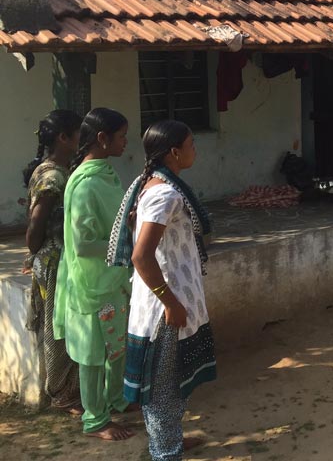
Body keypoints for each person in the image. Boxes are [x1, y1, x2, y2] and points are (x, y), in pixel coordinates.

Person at [108, 120, 216, 461]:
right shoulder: (164, 193)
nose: (194, 150)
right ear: (174, 152)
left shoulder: (155, 186)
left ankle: (171, 442)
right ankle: (165, 452)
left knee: (173, 382)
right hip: (164, 310)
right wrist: (170, 302)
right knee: (163, 391)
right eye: (191, 144)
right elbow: (141, 255)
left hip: (173, 302)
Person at [54, 108, 134, 440]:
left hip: (112, 278)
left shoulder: (105, 174)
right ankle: (95, 419)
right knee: (93, 355)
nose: (125, 142)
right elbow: (84, 244)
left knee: (117, 346)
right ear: (102, 139)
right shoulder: (87, 184)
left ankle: (115, 401)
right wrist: (125, 243)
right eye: (121, 136)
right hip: (92, 283)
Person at [22, 109, 83, 415]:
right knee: (56, 327)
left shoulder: (53, 168)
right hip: (54, 261)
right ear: (64, 138)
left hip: (55, 256)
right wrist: (35, 252)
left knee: (63, 323)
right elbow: (35, 225)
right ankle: (62, 393)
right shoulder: (53, 177)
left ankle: (70, 389)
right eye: (78, 133)